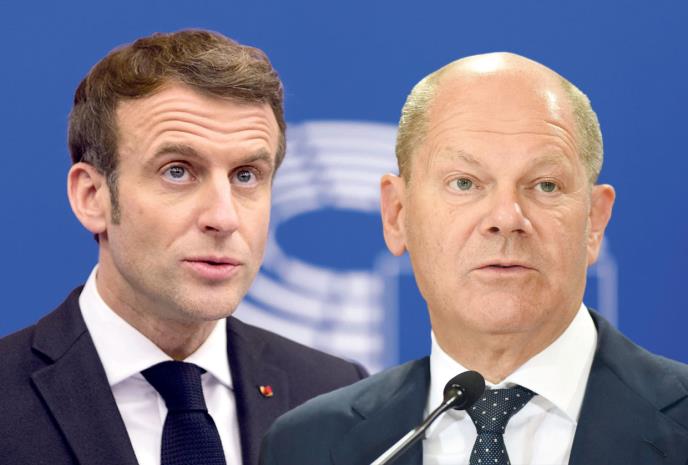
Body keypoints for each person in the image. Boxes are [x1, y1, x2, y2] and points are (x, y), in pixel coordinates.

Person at [259, 52, 688, 465]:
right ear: (397, 215)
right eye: (464, 183)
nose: (506, 218)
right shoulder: (307, 444)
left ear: (594, 221)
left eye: (546, 185)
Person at [0, 30, 366, 465]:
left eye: (246, 175)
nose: (224, 218)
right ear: (92, 197)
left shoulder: (336, 395)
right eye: (177, 171)